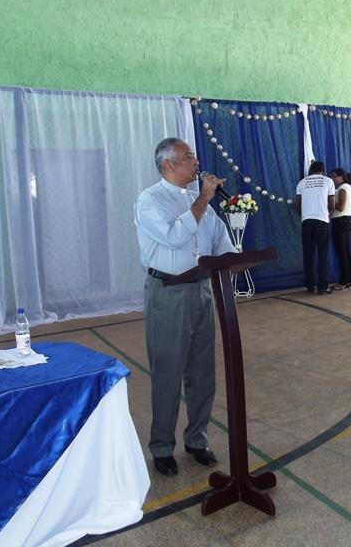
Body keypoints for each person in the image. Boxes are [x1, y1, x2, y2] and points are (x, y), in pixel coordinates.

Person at [134, 138, 236, 477]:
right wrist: (205, 198)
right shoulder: (150, 201)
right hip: (168, 292)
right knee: (168, 373)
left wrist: (239, 249)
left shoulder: (198, 200)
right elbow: (175, 236)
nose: (196, 162)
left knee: (202, 372)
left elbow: (221, 242)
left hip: (203, 290)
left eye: (193, 155)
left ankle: (197, 439)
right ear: (168, 165)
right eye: (188, 157)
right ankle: (162, 446)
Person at [294, 161, 335, 295]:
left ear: (311, 170)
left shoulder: (302, 183)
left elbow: (297, 205)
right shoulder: (328, 182)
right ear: (322, 170)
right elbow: (332, 204)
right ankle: (323, 286)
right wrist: (328, 213)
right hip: (322, 220)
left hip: (306, 221)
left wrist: (304, 215)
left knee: (308, 254)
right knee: (322, 254)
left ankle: (310, 285)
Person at [329, 168, 351, 290]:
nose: (333, 179)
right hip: (346, 221)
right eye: (332, 177)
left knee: (342, 253)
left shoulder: (343, 188)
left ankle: (343, 281)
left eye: (335, 176)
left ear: (342, 177)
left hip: (341, 221)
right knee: (347, 253)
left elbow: (340, 207)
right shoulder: (346, 187)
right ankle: (349, 280)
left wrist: (330, 201)